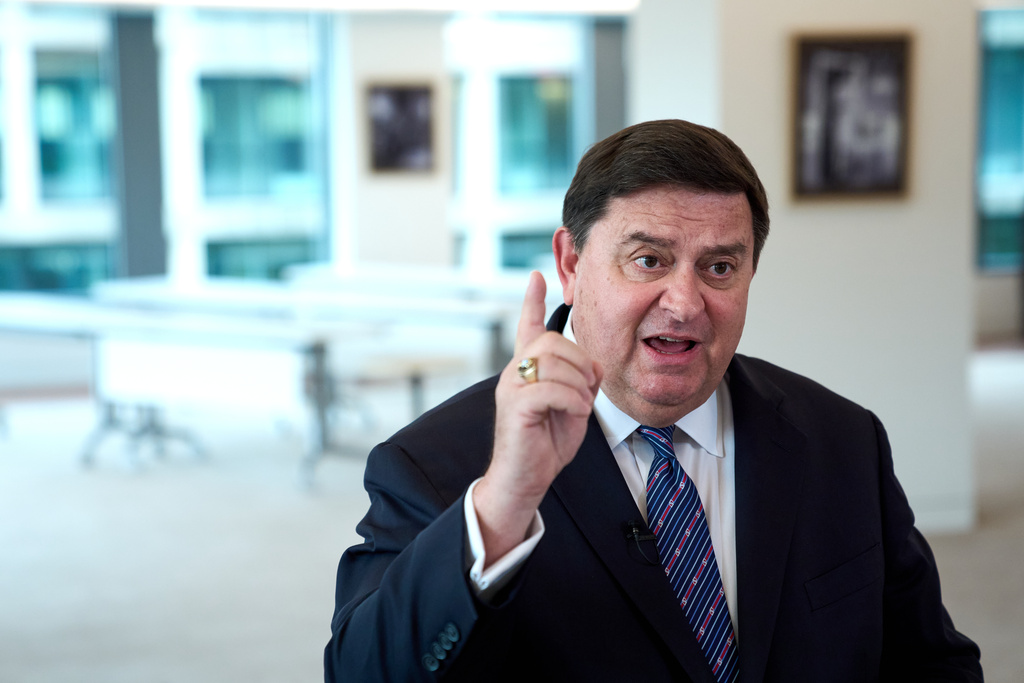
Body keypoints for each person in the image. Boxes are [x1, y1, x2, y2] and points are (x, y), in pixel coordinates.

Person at [324, 119, 982, 682]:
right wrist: (504, 502)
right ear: (572, 262)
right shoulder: (433, 462)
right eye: (648, 260)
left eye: (719, 267)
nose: (685, 302)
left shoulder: (843, 439)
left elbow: (932, 664)